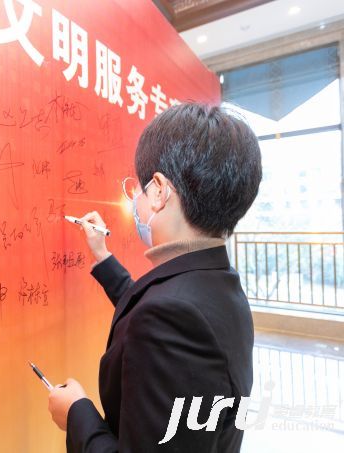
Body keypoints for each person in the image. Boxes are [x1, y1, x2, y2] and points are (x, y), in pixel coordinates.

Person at [47, 102, 262, 452]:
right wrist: (102, 255)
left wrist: (76, 414)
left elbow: (159, 316)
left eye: (140, 188)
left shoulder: (172, 317)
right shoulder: (215, 281)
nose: (136, 199)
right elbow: (153, 303)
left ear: (159, 190)